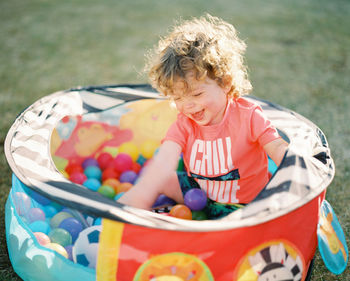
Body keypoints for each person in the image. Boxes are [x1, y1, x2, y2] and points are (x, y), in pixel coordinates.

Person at [118, 14, 288, 218]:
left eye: (197, 94)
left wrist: (296, 168)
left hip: (244, 208)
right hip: (197, 196)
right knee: (160, 179)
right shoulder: (184, 124)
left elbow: (277, 147)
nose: (188, 105)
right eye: (178, 98)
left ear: (225, 83)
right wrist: (142, 194)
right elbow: (164, 160)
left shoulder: (249, 117)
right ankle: (133, 209)